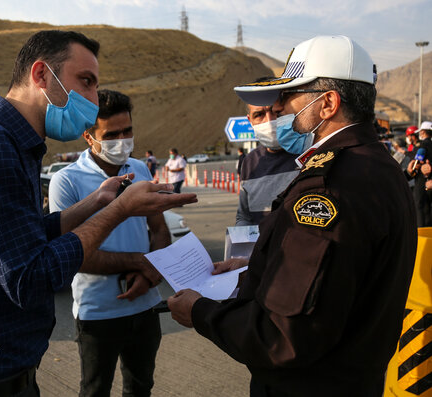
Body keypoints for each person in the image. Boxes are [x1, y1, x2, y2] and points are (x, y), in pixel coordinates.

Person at [0, 30, 196, 397]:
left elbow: (25, 237)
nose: (93, 100)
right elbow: (30, 278)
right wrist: (119, 210)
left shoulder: (9, 144)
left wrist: (96, 202)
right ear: (41, 75)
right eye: (86, 81)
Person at [168, 35, 417, 397]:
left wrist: (201, 312)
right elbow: (335, 278)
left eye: (290, 95)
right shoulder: (378, 166)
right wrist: (252, 268)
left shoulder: (329, 187)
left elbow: (281, 335)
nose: (279, 106)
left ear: (328, 103)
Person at [49, 89, 168, 397]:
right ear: (89, 137)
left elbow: (158, 229)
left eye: (127, 131)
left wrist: (149, 275)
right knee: (94, 390)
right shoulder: (68, 181)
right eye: (112, 134)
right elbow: (72, 253)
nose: (122, 140)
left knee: (141, 387)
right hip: (98, 313)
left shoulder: (140, 169)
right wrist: (139, 262)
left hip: (147, 306)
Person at [236, 78, 299, 226]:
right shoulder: (250, 162)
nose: (269, 121)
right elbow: (244, 216)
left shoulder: (311, 154)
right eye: (259, 115)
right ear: (249, 120)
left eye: (274, 112)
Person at [406, 121, 432, 226]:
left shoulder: (422, 145)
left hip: (421, 182)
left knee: (420, 208)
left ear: (422, 132)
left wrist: (415, 166)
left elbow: (417, 160)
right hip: (428, 182)